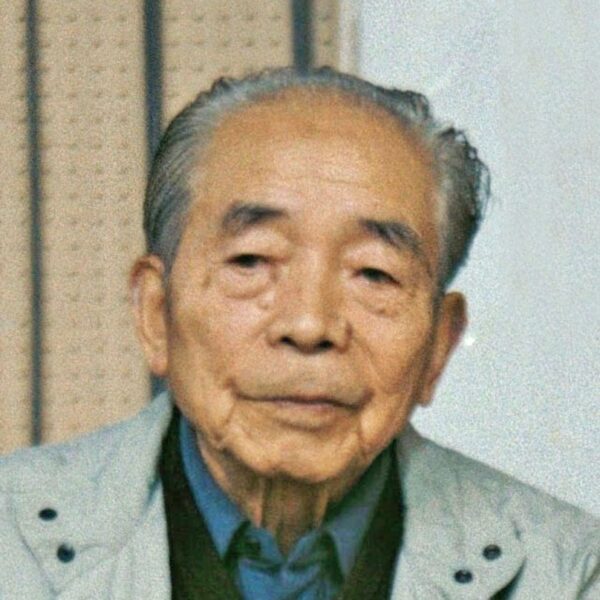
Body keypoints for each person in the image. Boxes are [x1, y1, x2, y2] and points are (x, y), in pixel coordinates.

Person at [0, 67, 598, 599]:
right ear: (156, 313)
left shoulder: (568, 574)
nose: (309, 325)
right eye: (252, 261)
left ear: (438, 347)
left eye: (374, 273)